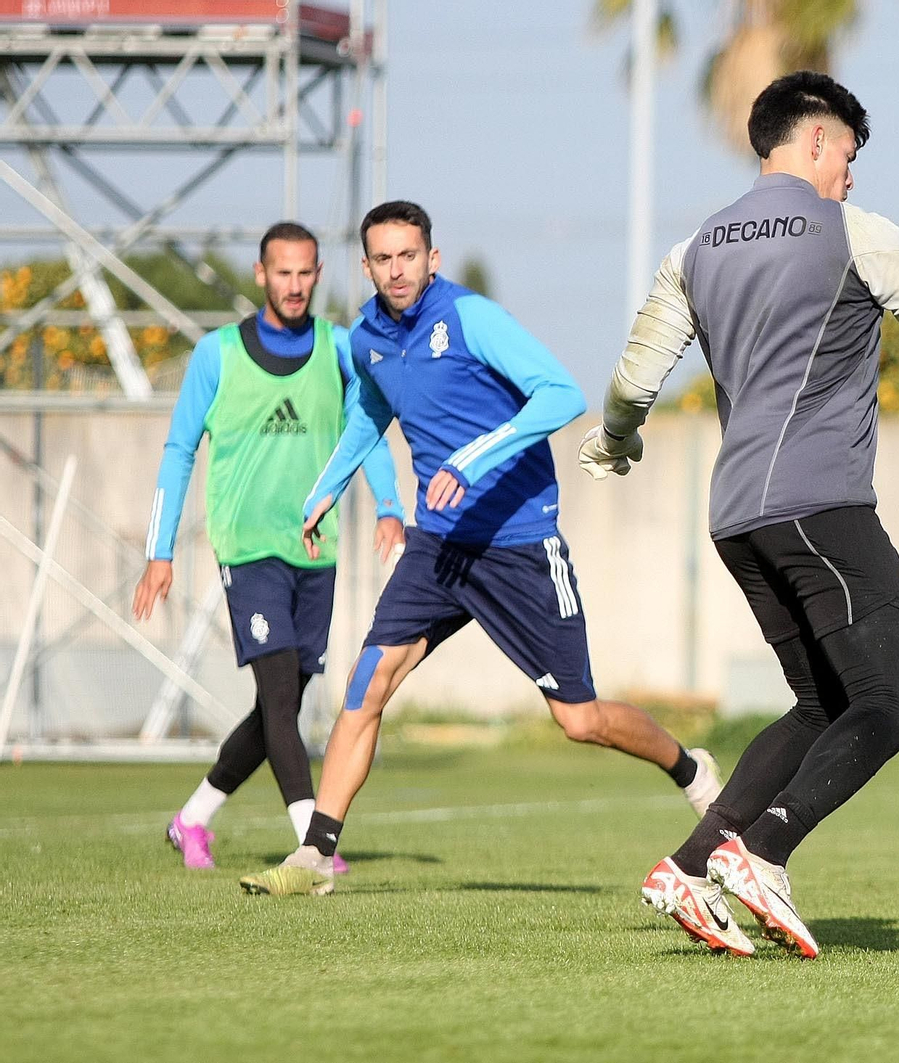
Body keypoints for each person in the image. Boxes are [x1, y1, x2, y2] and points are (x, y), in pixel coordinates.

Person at [579, 71, 899, 957]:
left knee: (818, 703)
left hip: (736, 516)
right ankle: (762, 850)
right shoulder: (853, 232)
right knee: (894, 701)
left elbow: (632, 383)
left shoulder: (693, 250)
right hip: (821, 504)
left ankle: (690, 867)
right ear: (813, 141)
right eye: (848, 153)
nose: (851, 172)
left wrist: (615, 441)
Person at [239, 201, 721, 896]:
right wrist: (324, 491)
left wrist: (470, 459)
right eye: (383, 257)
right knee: (366, 683)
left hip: (518, 542)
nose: (397, 268)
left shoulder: (470, 318)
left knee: (579, 719)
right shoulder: (365, 336)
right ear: (366, 266)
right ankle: (315, 854)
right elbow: (371, 413)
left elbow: (562, 393)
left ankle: (691, 769)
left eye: (409, 255)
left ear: (432, 258)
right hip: (437, 548)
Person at [134, 222, 405, 871]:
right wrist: (160, 549)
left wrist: (391, 508)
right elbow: (178, 450)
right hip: (247, 547)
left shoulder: (339, 349)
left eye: (305, 272)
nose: (294, 284)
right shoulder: (217, 354)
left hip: (316, 549)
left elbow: (368, 426)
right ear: (261, 274)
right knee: (281, 694)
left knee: (278, 705)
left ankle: (191, 818)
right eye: (282, 272)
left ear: (318, 275)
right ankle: (314, 842)